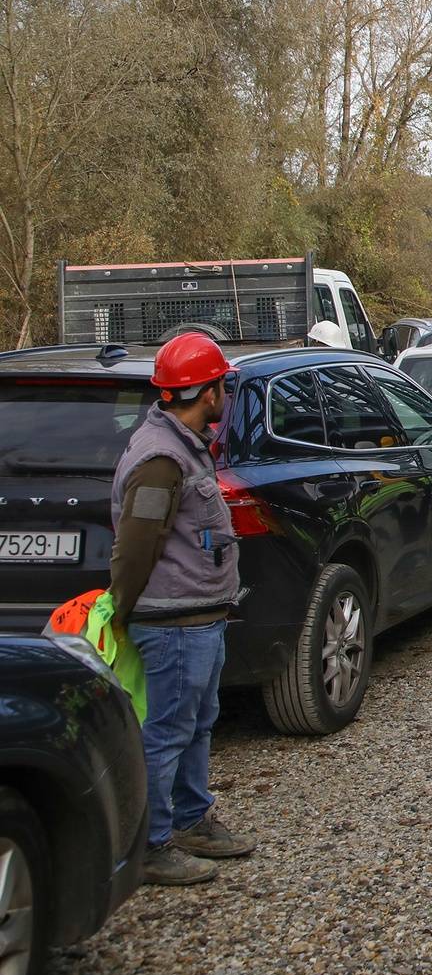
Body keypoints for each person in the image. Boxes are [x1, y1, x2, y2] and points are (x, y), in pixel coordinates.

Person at [108, 332, 254, 885]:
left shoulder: (182, 443)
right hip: (171, 622)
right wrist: (122, 609)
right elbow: (138, 541)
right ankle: (147, 844)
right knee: (168, 730)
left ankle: (191, 819)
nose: (225, 394)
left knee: (196, 724)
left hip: (199, 616)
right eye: (221, 385)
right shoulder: (161, 459)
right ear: (208, 391)